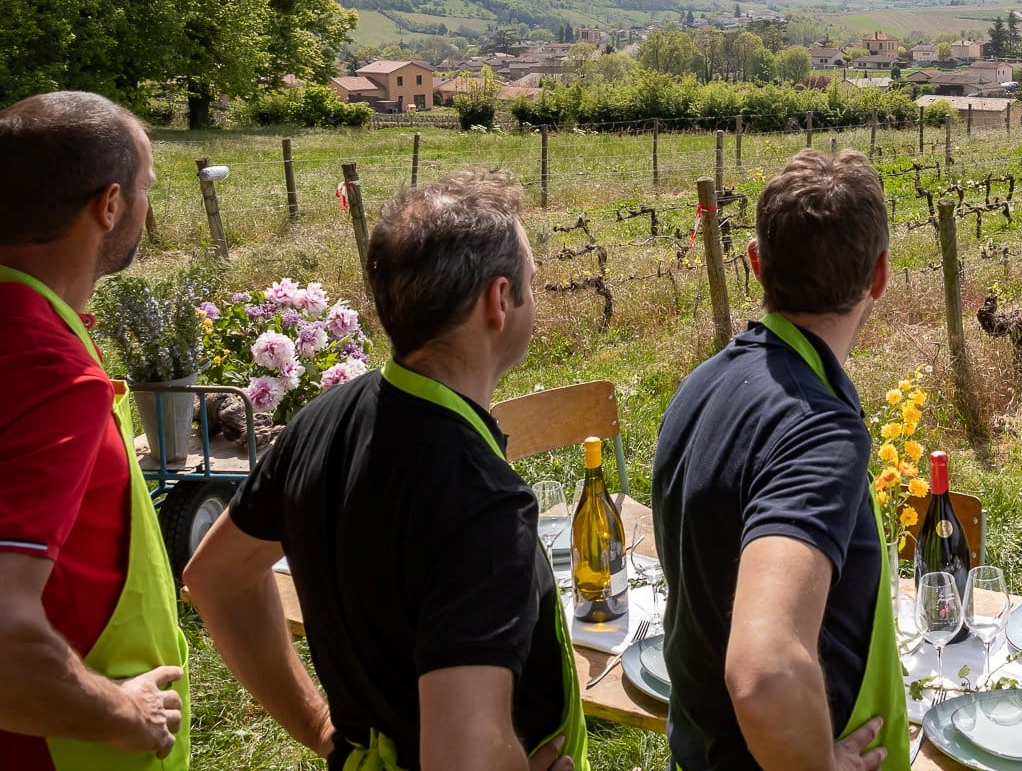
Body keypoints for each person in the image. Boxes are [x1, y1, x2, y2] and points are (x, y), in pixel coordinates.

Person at [184, 169, 585, 771]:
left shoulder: (320, 421)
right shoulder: (481, 500)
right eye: (532, 282)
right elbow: (463, 756)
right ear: (498, 301)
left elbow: (215, 578)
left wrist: (324, 728)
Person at [654, 149, 904, 771]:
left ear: (756, 265)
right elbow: (765, 673)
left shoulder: (702, 385)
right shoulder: (818, 431)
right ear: (879, 277)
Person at [0, 91, 187, 771]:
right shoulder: (46, 370)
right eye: (145, 191)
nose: (145, 208)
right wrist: (121, 714)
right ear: (109, 206)